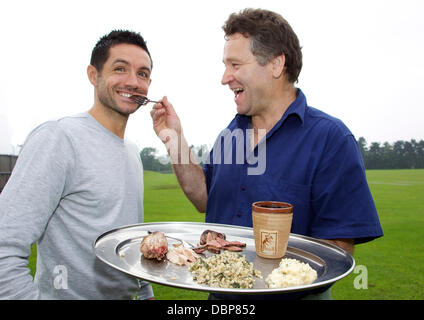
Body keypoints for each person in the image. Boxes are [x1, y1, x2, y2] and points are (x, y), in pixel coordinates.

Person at [151, 8, 383, 300]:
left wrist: (265, 278)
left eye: (235, 64)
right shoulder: (229, 136)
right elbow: (204, 198)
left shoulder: (330, 140)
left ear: (276, 64)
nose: (225, 78)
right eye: (225, 65)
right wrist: (174, 138)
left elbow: (337, 249)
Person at [0, 30, 154, 299]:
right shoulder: (58, 137)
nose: (133, 81)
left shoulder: (132, 151)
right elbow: (5, 248)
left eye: (142, 73)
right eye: (120, 68)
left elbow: (130, 240)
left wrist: (144, 293)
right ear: (93, 75)